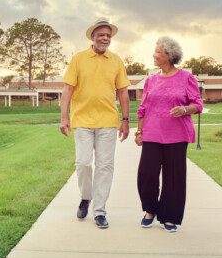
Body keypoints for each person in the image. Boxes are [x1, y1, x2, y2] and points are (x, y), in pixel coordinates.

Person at [60, 18, 131, 229]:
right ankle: (86, 196)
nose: (105, 38)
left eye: (108, 35)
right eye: (101, 35)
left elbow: (123, 92)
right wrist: (64, 117)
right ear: (92, 36)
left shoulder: (116, 61)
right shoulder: (79, 59)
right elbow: (67, 90)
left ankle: (99, 210)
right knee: (82, 163)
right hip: (82, 120)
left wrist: (126, 120)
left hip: (108, 122)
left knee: (105, 167)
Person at [135, 36, 203, 232]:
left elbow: (197, 105)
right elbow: (143, 108)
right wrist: (139, 131)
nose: (154, 55)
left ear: (169, 55)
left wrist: (183, 110)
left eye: (157, 52)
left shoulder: (186, 78)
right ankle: (150, 209)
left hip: (177, 135)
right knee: (146, 176)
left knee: (174, 178)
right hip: (152, 135)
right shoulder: (151, 80)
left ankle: (170, 216)